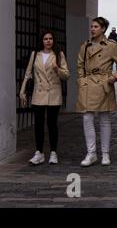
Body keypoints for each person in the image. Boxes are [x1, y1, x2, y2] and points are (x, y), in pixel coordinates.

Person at [76, 17, 117, 167]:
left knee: (104, 119)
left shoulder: (111, 46)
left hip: (104, 84)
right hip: (88, 84)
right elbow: (79, 64)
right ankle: (91, 153)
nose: (92, 29)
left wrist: (114, 77)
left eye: (96, 26)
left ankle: (105, 154)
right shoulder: (85, 46)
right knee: (87, 118)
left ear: (103, 29)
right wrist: (81, 80)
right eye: (92, 26)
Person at [19, 31, 70, 165]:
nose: (48, 41)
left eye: (50, 38)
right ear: (42, 41)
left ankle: (53, 152)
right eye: (45, 39)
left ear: (53, 40)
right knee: (39, 125)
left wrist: (57, 69)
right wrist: (22, 90)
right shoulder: (35, 55)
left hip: (54, 92)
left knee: (52, 124)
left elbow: (66, 75)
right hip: (39, 92)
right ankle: (39, 152)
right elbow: (28, 73)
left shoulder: (59, 55)